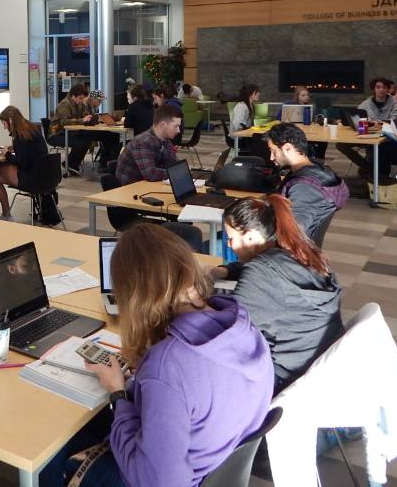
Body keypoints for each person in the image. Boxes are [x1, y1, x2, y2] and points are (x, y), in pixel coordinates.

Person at [40, 224, 273, 487]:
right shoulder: (242, 325)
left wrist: (118, 391)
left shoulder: (167, 366)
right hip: (213, 461)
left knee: (47, 454)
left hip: (170, 478)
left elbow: (154, 481)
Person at [216, 196, 343, 393]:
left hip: (284, 379)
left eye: (231, 238)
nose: (230, 245)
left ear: (250, 237)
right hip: (313, 364)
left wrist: (194, 301)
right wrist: (225, 271)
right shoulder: (302, 253)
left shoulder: (262, 272)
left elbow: (230, 326)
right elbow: (272, 278)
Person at [266, 123, 349, 242]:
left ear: (288, 148)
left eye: (273, 151)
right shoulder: (319, 171)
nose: (271, 157)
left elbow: (294, 231)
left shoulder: (304, 187)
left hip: (289, 254)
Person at [338, 82, 397, 173]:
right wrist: (378, 124)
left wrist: (383, 130)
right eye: (396, 93)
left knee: (378, 146)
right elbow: (396, 123)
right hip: (396, 137)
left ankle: (375, 174)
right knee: (347, 143)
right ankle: (372, 172)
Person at [0, 106, 48, 220]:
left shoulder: (20, 136)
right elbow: (29, 151)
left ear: (10, 121)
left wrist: (7, 154)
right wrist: (15, 148)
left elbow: (22, 163)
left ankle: (6, 214)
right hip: (45, 175)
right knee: (1, 170)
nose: (4, 128)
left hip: (32, 178)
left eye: (4, 124)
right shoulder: (32, 128)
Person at [115, 106, 181, 185]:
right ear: (163, 125)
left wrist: (179, 170)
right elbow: (151, 174)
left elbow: (173, 163)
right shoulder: (143, 142)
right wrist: (177, 172)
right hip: (130, 190)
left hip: (147, 186)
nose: (178, 130)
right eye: (176, 126)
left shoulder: (165, 139)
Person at [48, 84, 94, 175]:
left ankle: (71, 165)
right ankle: (70, 164)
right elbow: (64, 122)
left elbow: (83, 115)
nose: (82, 100)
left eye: (83, 98)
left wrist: (88, 116)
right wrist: (82, 120)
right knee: (81, 143)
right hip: (57, 134)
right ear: (73, 96)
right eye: (80, 98)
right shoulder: (65, 104)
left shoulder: (80, 103)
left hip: (70, 132)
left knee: (88, 139)